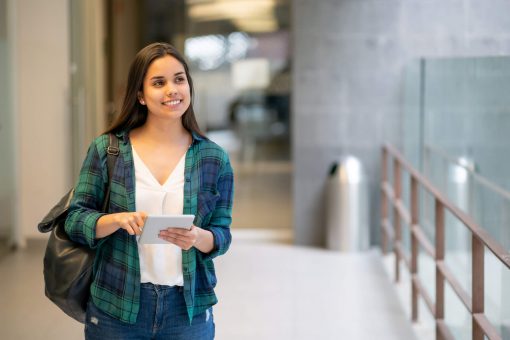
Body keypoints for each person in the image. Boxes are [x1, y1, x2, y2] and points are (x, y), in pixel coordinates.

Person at [65, 42, 234, 340]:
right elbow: (75, 220)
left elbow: (222, 234)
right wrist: (115, 220)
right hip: (117, 305)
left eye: (179, 79)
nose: (172, 89)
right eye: (159, 82)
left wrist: (198, 237)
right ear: (140, 95)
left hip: (187, 309)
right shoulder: (108, 150)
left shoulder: (213, 158)